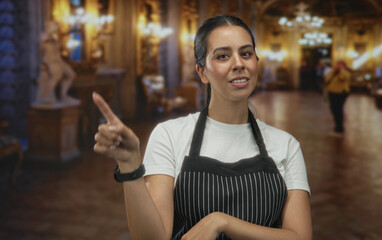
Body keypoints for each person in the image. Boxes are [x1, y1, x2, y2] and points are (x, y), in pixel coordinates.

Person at [92, 15, 311, 240]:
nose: (238, 64)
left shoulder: (286, 145)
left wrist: (222, 222)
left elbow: (301, 237)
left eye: (246, 53)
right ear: (202, 72)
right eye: (223, 56)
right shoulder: (170, 135)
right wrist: (130, 165)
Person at [35, 21, 77, 105]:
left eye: (56, 28)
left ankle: (63, 95)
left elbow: (57, 50)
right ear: (49, 27)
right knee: (56, 77)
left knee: (71, 75)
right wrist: (42, 63)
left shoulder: (55, 36)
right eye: (54, 27)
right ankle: (46, 96)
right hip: (51, 60)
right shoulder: (43, 36)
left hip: (59, 60)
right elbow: (41, 51)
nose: (56, 29)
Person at [324, 60, 351, 133]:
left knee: (338, 109)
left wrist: (341, 71)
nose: (338, 66)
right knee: (333, 109)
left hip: (340, 93)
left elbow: (343, 78)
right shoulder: (333, 72)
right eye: (337, 64)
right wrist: (334, 72)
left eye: (340, 65)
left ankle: (339, 127)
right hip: (332, 93)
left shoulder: (345, 72)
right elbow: (327, 79)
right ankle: (337, 125)